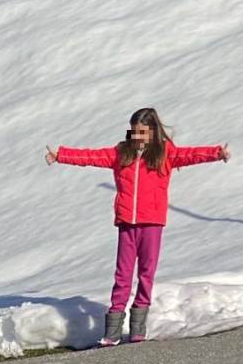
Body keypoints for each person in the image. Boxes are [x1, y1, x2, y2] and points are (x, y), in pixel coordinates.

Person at [45, 107, 229, 346]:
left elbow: (191, 154)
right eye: (134, 131)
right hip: (126, 223)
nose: (137, 135)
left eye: (142, 131)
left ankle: (137, 327)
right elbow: (91, 156)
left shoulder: (164, 153)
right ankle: (112, 330)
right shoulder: (122, 153)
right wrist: (61, 155)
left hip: (152, 222)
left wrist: (217, 153)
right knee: (122, 275)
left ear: (152, 131)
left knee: (146, 273)